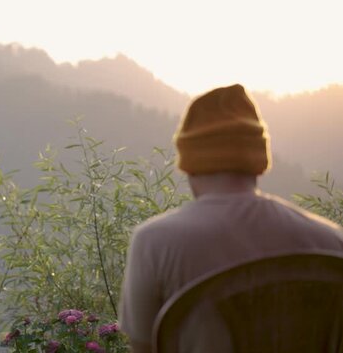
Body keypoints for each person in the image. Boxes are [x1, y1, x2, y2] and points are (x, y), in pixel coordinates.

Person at [118, 84, 343, 353]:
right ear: (259, 159)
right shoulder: (330, 241)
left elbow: (143, 348)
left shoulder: (155, 243)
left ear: (189, 162)